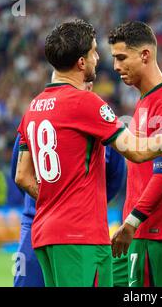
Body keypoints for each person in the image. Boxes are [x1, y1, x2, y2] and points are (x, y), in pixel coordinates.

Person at [14, 19, 162, 287]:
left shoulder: (34, 107)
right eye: (95, 52)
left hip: (44, 233)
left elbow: (21, 176)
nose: (103, 60)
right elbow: (134, 151)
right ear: (81, 62)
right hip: (81, 235)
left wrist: (56, 201)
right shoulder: (87, 103)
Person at [108, 21, 162, 287]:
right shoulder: (145, 100)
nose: (115, 67)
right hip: (135, 230)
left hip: (154, 231)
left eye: (121, 57)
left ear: (145, 55)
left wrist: (133, 221)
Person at [11, 120, 126, 287]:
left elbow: (115, 178)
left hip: (76, 227)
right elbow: (20, 173)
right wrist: (47, 202)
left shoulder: (99, 118)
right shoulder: (37, 114)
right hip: (36, 221)